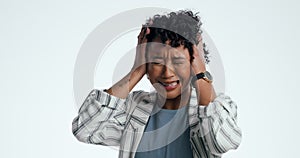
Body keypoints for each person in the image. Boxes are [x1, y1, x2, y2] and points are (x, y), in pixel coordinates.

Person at [72, 10, 242, 158]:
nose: (167, 74)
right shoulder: (133, 108)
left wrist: (201, 73)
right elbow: (85, 129)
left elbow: (222, 142)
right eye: (157, 62)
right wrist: (136, 70)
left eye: (178, 61)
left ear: (194, 62)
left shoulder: (218, 107)